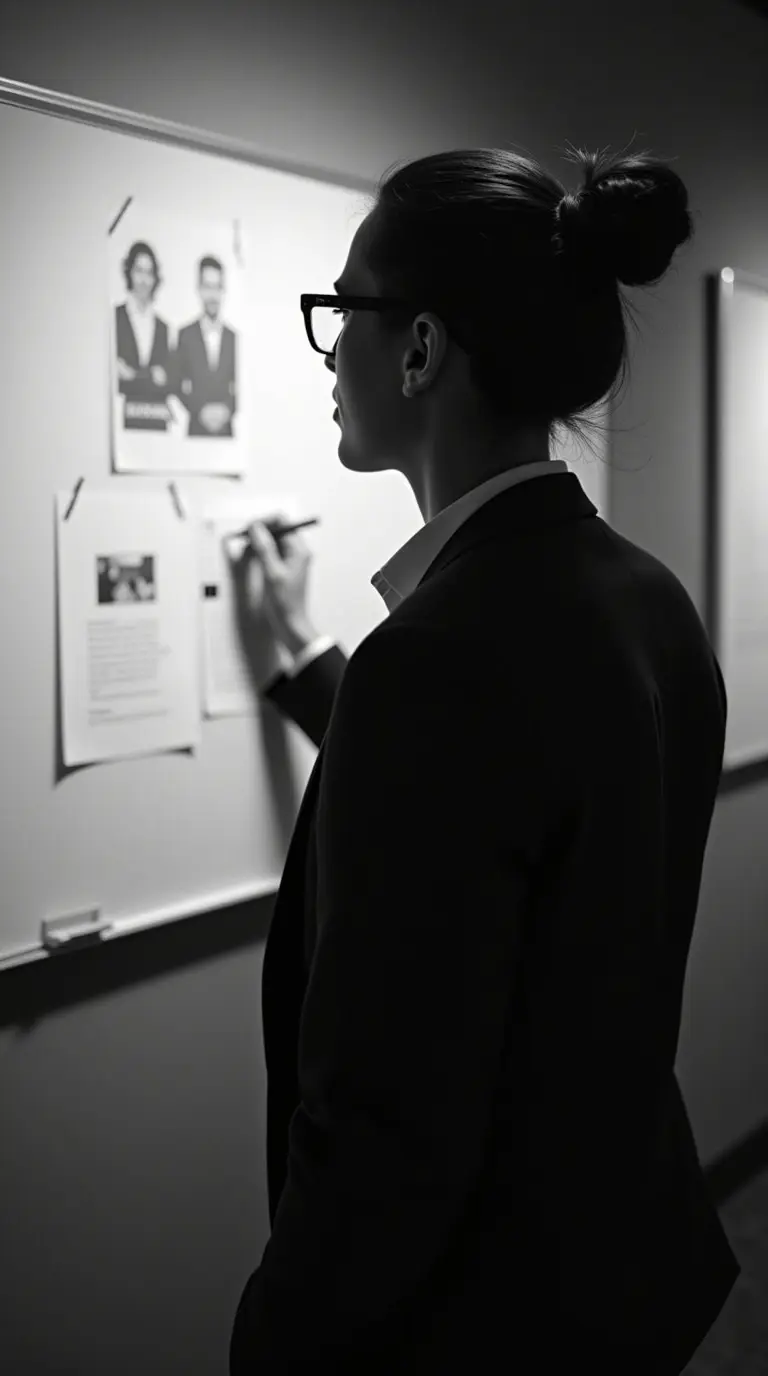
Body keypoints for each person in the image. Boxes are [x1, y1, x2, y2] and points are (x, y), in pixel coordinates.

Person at [227, 142, 740, 1376]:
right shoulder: (646, 600)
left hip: (469, 1317)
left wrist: (274, 1343)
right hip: (610, 1269)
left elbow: (385, 1120)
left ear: (418, 349)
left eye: (341, 310)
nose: (329, 351)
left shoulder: (439, 659)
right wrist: (304, 660)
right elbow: (509, 817)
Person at [172, 254, 237, 437]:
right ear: (199, 289)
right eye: (208, 287)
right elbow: (175, 383)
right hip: (196, 432)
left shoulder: (234, 338)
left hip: (226, 435)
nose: (213, 295)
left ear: (223, 290)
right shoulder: (185, 335)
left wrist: (227, 410)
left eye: (217, 287)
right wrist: (200, 410)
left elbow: (244, 384)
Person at [114, 241, 172, 431]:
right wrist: (149, 376)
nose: (144, 280)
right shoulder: (115, 318)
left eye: (149, 273)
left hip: (156, 419)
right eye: (139, 271)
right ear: (129, 272)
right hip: (123, 420)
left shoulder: (163, 328)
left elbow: (164, 380)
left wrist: (133, 375)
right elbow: (116, 378)